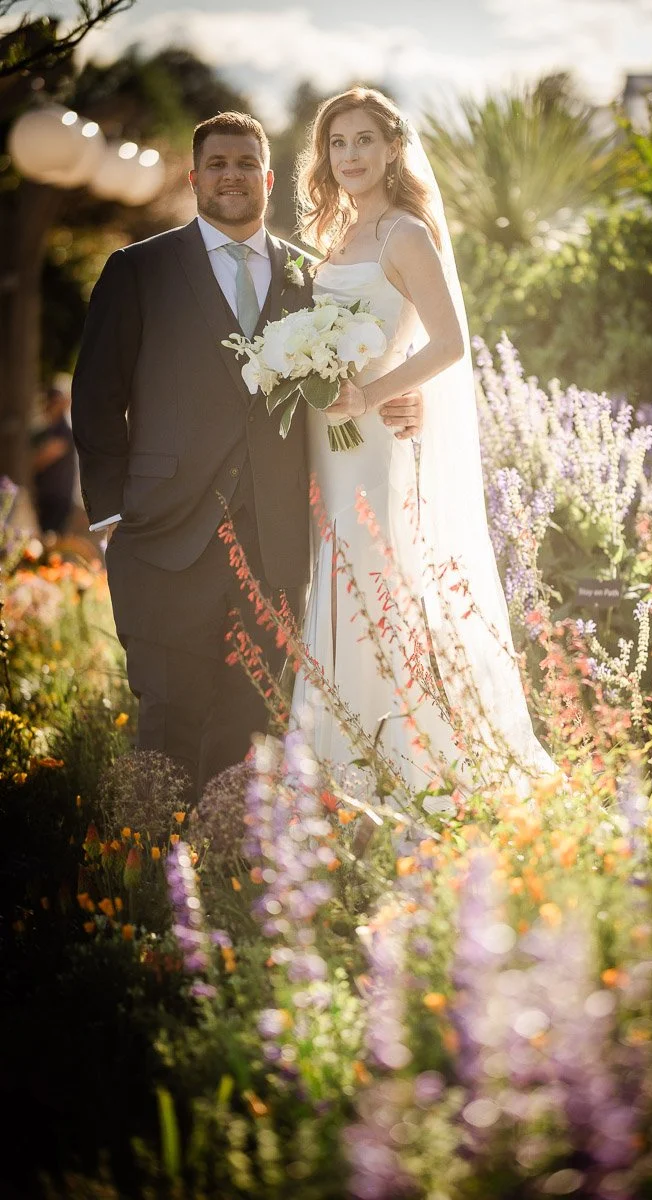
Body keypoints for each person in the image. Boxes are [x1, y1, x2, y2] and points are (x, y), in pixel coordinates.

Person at [71, 111, 421, 801]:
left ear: (267, 178)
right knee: (167, 715)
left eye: (245, 165)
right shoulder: (137, 270)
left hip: (274, 541)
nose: (232, 175)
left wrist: (401, 399)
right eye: (218, 164)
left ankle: (232, 876)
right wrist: (111, 517)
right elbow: (96, 399)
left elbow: (351, 368)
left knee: (252, 722)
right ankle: (149, 877)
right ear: (195, 177)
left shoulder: (308, 275)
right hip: (162, 534)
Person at [290, 87, 555, 791]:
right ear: (325, 155)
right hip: (322, 442)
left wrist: (370, 394)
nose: (350, 156)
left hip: (371, 443)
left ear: (391, 149)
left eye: (363, 142)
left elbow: (450, 342)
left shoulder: (406, 234)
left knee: (370, 580)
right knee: (333, 577)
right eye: (337, 144)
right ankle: (332, 763)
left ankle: (398, 770)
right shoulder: (332, 238)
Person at [32, 376, 76, 536]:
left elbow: (44, 457)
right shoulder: (47, 430)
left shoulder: (64, 430)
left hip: (58, 497)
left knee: (52, 539)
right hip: (46, 495)